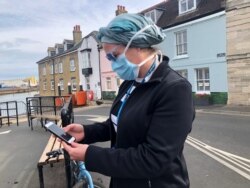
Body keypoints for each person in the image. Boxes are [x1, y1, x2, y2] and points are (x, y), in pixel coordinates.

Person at [61, 13, 195, 188]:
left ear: (138, 45)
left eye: (115, 55)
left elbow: (153, 160)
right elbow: (119, 124)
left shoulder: (174, 89)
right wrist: (86, 132)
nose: (112, 63)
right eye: (108, 58)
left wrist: (91, 155)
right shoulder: (129, 83)